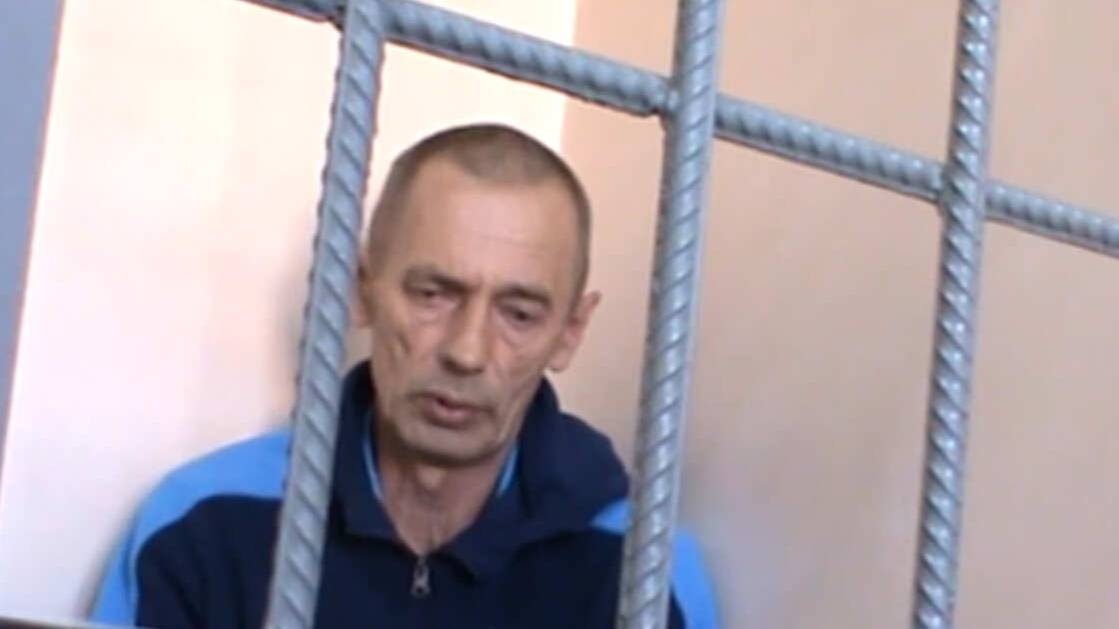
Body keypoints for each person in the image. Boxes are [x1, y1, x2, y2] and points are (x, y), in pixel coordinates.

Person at [89, 124, 719, 628]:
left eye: (519, 314)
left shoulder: (641, 572)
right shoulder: (205, 526)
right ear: (364, 290)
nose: (467, 352)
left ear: (570, 332)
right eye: (433, 294)